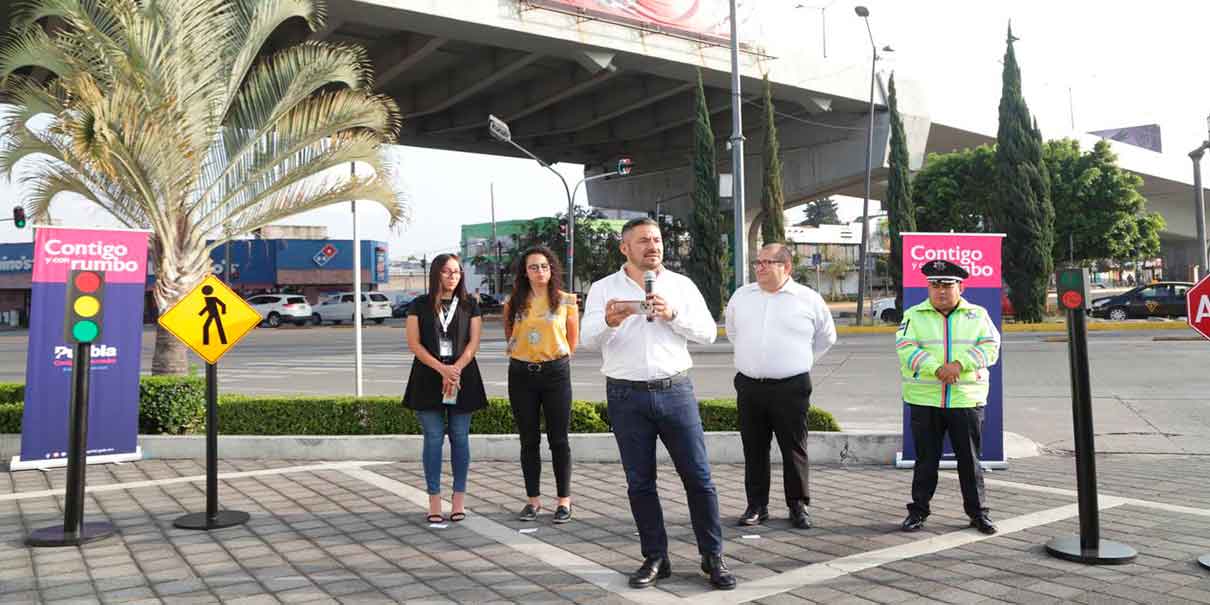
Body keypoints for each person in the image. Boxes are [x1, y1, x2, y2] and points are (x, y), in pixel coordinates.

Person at [581, 217, 735, 591]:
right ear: (625, 248)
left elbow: (708, 334)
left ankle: (712, 556)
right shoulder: (604, 289)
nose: (653, 246)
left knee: (699, 478)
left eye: (656, 239)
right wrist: (609, 321)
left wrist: (673, 315)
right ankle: (655, 557)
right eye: (643, 241)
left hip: (675, 392)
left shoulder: (680, 286)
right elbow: (586, 340)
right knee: (640, 482)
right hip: (625, 395)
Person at [724, 243, 835, 530]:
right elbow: (733, 332)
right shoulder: (742, 296)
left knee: (794, 447)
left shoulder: (808, 299)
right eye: (757, 262)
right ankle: (757, 506)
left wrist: (800, 361)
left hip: (792, 387)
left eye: (766, 262)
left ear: (785, 267)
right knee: (754, 447)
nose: (759, 268)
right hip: (750, 386)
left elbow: (826, 338)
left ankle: (798, 505)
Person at [896, 259, 1001, 535]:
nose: (940, 291)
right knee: (925, 461)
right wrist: (937, 369)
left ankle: (978, 513)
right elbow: (905, 347)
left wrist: (958, 365)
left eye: (947, 285)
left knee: (970, 461)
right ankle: (918, 512)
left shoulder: (977, 315)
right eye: (934, 285)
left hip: (966, 400)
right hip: (926, 400)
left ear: (961, 287)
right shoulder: (914, 315)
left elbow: (991, 347)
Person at [403, 253, 488, 524]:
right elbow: (415, 344)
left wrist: (455, 369)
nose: (453, 276)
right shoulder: (419, 305)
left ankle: (459, 501)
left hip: (463, 376)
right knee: (433, 438)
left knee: (460, 438)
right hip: (428, 378)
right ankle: (435, 502)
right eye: (447, 272)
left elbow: (473, 344)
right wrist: (442, 369)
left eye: (457, 272)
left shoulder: (469, 305)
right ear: (436, 274)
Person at [503, 245, 579, 524]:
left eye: (544, 266)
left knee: (559, 439)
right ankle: (533, 500)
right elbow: (510, 336)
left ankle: (564, 501)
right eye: (533, 267)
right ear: (525, 272)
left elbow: (572, 340)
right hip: (521, 374)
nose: (539, 271)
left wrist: (554, 357)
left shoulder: (566, 301)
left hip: (556, 373)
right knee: (529, 440)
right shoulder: (514, 303)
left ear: (552, 269)